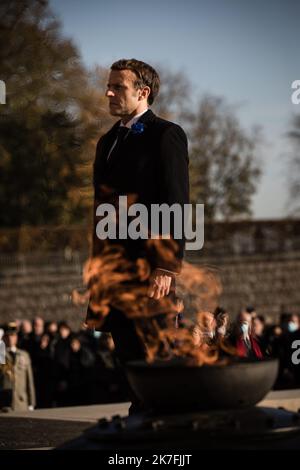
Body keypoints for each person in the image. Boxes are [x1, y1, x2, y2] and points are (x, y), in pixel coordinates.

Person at [86, 59, 189, 408]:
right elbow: (102, 210)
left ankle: (169, 441)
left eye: (118, 87)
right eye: (109, 85)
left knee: (156, 364)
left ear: (143, 92)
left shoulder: (166, 134)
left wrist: (167, 266)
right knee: (130, 365)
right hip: (115, 272)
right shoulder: (107, 141)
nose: (108, 92)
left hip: (150, 271)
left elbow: (176, 201)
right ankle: (140, 431)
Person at [0, 322, 36, 411]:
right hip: (5, 404)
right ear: (3, 338)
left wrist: (31, 402)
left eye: (12, 335)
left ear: (16, 337)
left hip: (21, 402)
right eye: (7, 336)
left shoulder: (24, 355)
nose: (10, 338)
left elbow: (29, 380)